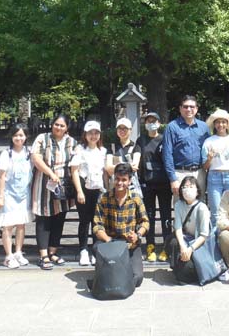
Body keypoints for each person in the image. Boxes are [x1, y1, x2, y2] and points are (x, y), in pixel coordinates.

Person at [30, 114, 77, 270]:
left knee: (59, 218)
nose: (59, 127)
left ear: (67, 128)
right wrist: (50, 173)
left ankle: (53, 252)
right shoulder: (42, 138)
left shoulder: (71, 142)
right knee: (43, 219)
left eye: (62, 125)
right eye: (56, 124)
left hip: (63, 186)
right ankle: (43, 255)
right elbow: (36, 158)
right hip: (43, 184)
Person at [93, 163, 149, 288]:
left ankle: (118, 273)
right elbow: (97, 226)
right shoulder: (104, 198)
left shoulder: (136, 199)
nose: (119, 183)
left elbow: (145, 221)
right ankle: (112, 272)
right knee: (97, 248)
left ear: (129, 181)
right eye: (117, 179)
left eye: (124, 180)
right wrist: (109, 240)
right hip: (110, 243)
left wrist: (138, 235)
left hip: (129, 243)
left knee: (138, 279)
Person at [0, 123, 34, 269]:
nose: (19, 138)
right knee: (8, 225)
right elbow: (2, 176)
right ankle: (8, 255)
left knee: (21, 224)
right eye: (16, 135)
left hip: (24, 193)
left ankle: (18, 252)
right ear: (11, 137)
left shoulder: (29, 153)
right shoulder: (6, 153)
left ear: (26, 136)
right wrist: (1, 196)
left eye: (22, 135)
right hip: (9, 194)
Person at [136, 112, 172, 262]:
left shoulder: (165, 138)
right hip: (147, 184)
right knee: (148, 216)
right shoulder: (141, 139)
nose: (151, 123)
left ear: (159, 122)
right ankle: (150, 246)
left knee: (166, 215)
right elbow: (137, 156)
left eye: (154, 120)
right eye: (148, 121)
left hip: (164, 183)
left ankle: (166, 247)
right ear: (145, 124)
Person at [70, 120, 107, 266]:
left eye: (96, 133)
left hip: (98, 190)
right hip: (84, 189)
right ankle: (83, 250)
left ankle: (96, 250)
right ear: (85, 134)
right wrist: (79, 191)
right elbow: (74, 171)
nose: (93, 136)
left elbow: (104, 173)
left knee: (97, 221)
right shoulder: (80, 149)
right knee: (84, 221)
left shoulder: (103, 151)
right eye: (90, 133)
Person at [162, 95, 210, 198]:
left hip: (200, 173)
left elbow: (209, 151)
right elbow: (167, 154)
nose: (189, 109)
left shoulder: (204, 127)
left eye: (192, 107)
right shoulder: (172, 127)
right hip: (180, 173)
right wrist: (173, 179)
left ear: (196, 109)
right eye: (185, 106)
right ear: (180, 108)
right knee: (181, 206)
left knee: (199, 206)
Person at [167, 176, 211, 282]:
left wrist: (190, 249)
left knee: (185, 274)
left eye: (191, 187)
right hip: (185, 239)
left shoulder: (202, 208)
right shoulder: (178, 205)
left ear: (197, 191)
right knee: (172, 241)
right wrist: (183, 247)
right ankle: (178, 267)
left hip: (198, 243)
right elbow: (177, 227)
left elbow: (204, 235)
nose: (188, 189)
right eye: (185, 187)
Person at [202, 108, 229, 227]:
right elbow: (205, 167)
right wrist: (209, 158)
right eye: (218, 122)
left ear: (228, 124)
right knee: (215, 212)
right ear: (214, 124)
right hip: (214, 177)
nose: (221, 125)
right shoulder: (208, 141)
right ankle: (215, 241)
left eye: (223, 122)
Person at [106, 117, 141, 194]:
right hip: (114, 187)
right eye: (119, 128)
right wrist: (128, 166)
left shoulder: (136, 147)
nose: (122, 131)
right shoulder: (112, 147)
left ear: (130, 130)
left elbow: (134, 167)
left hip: (131, 188)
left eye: (125, 128)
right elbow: (108, 168)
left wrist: (115, 166)